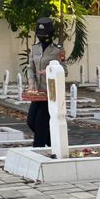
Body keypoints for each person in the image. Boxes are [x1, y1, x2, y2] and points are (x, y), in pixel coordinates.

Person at [25, 17, 65, 147]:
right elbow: (30, 68)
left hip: (50, 93)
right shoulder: (35, 48)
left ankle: (38, 150)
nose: (42, 37)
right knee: (31, 122)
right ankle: (54, 144)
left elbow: (64, 71)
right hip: (38, 93)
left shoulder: (58, 50)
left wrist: (48, 71)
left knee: (40, 124)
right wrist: (31, 83)